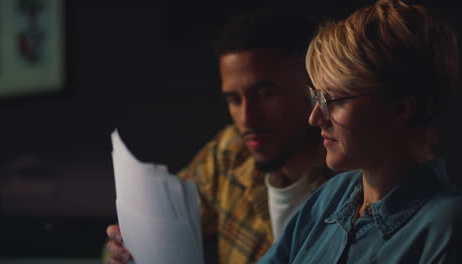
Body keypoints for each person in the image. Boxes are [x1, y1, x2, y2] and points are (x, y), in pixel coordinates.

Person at [105, 8, 334, 264]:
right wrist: (123, 251)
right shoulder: (231, 152)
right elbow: (129, 239)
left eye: (266, 94)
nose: (247, 120)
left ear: (313, 87)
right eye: (234, 100)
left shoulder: (355, 176)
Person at [258, 0, 462, 263]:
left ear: (401, 109)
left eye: (336, 100)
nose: (315, 118)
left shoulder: (446, 229)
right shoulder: (333, 196)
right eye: (316, 97)